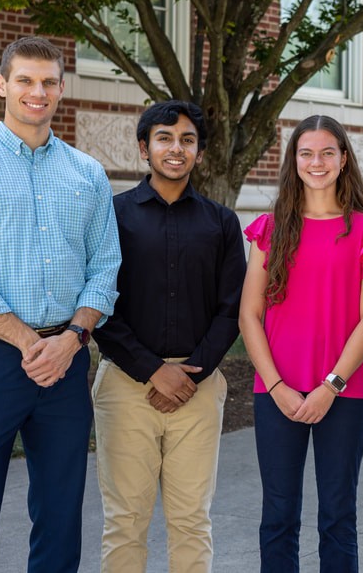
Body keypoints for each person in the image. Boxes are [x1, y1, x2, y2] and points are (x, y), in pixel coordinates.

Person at [0, 36, 121, 572]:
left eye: (48, 82)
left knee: (61, 510)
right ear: (2, 86)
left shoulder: (87, 174)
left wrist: (73, 338)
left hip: (67, 357)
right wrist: (32, 343)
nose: (37, 92)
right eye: (25, 80)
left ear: (61, 89)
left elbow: (105, 268)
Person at [91, 100, 246, 572]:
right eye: (164, 138)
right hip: (125, 384)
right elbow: (99, 302)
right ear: (144, 148)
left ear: (199, 153)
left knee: (191, 519)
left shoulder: (221, 222)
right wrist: (153, 371)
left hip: (197, 389)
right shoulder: (112, 215)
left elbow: (231, 308)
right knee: (125, 520)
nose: (175, 149)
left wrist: (190, 374)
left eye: (187, 140)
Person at [238, 114, 363, 573]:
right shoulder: (270, 228)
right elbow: (249, 315)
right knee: (278, 516)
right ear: (294, 160)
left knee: (338, 516)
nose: (316, 161)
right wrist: (278, 385)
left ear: (344, 159)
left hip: (343, 393)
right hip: (276, 391)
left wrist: (331, 385)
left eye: (327, 152)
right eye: (306, 153)